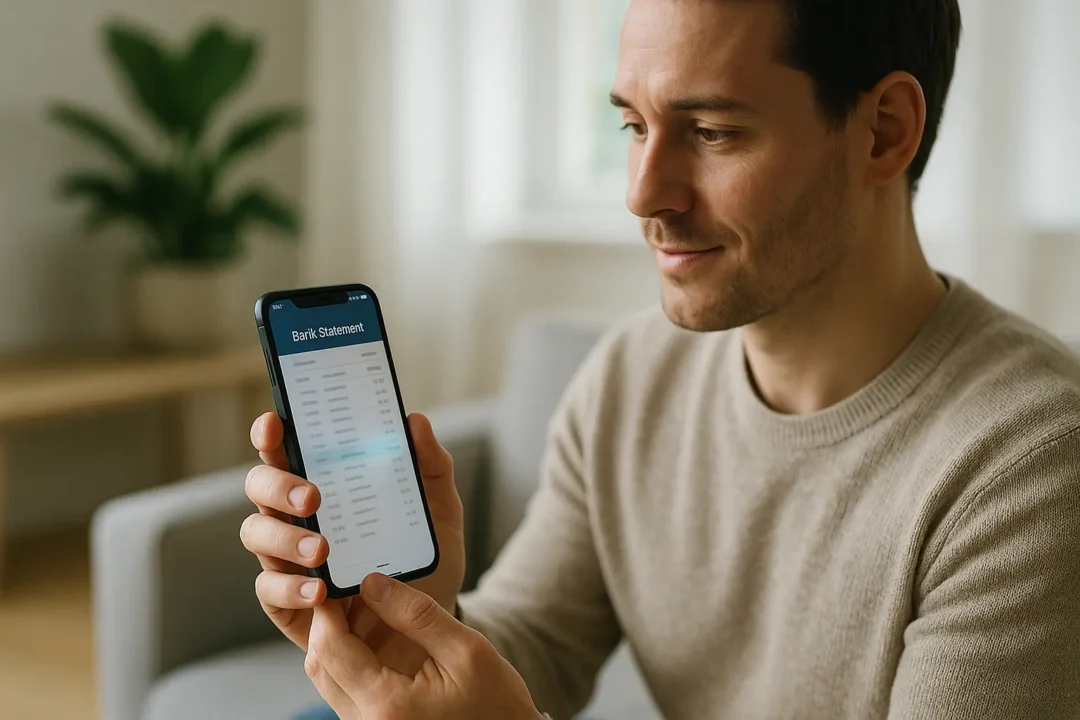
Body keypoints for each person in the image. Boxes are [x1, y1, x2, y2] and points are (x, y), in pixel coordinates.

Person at [241, 0, 1080, 718]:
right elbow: (541, 640)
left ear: (883, 132)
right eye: (633, 127)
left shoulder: (1032, 466)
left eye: (712, 132)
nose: (643, 194)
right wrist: (419, 625)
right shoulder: (631, 379)